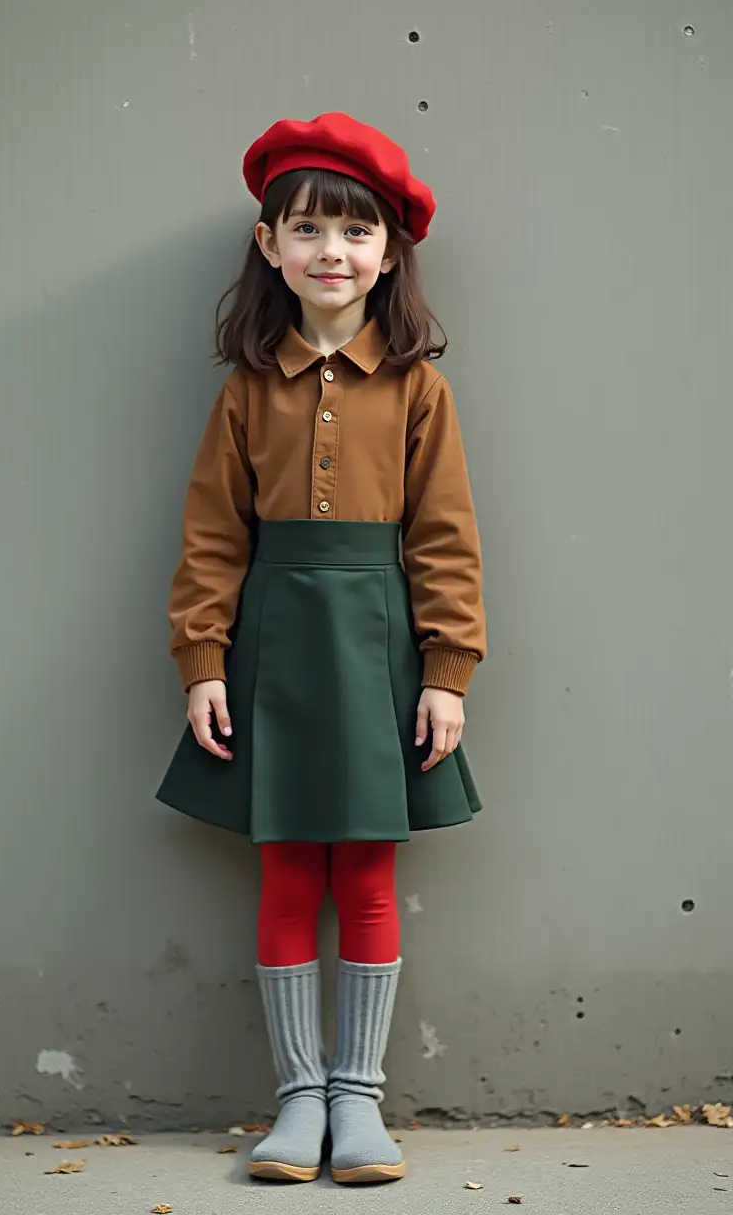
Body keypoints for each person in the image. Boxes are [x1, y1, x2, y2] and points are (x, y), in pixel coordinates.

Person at [157, 112, 486, 1185]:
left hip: (381, 651)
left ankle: (360, 1097)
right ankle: (297, 1095)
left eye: (355, 233)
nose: (331, 252)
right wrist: (203, 658)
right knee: (289, 862)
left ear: (388, 252)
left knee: (371, 867)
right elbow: (212, 534)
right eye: (306, 230)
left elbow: (445, 538)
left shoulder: (419, 387)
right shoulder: (248, 388)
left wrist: (448, 674)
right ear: (270, 247)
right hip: (279, 652)